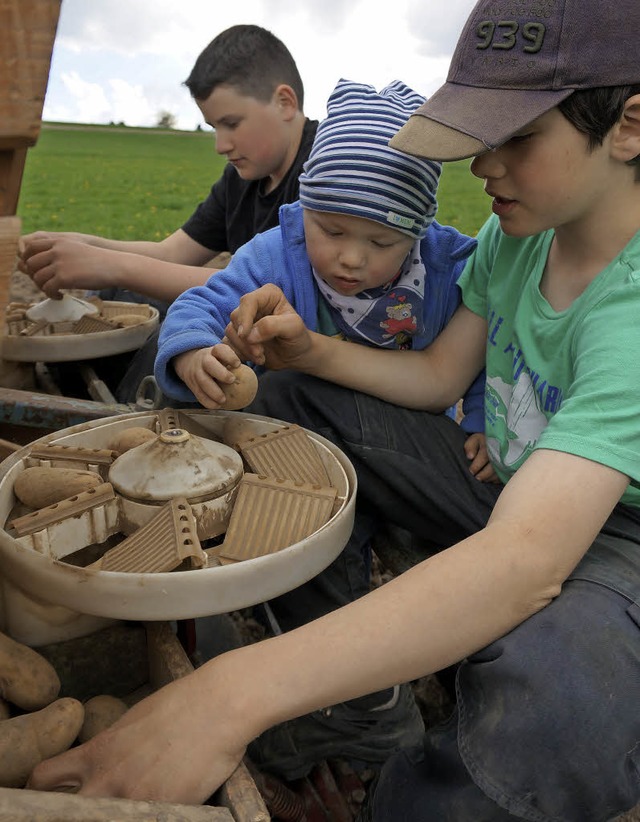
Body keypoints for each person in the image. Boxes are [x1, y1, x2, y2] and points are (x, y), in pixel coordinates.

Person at [27, 0, 640, 820]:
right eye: (479, 136)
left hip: (614, 538)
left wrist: (226, 696)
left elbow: (527, 562)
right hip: (503, 485)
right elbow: (432, 376)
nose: (482, 165)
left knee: (554, 701)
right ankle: (356, 701)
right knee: (286, 398)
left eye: (516, 139)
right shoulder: (520, 236)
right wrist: (307, 353)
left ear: (629, 126)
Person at [155, 77, 493, 479]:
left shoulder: (446, 268)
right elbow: (202, 302)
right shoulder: (276, 254)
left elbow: (487, 349)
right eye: (331, 232)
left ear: (417, 231)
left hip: (398, 444)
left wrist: (483, 420)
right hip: (289, 440)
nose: (350, 259)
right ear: (305, 210)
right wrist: (193, 355)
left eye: (381, 242)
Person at [17, 24, 318, 402]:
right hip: (239, 316)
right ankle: (82, 397)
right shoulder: (241, 177)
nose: (220, 145)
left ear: (285, 103)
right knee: (116, 290)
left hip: (283, 342)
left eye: (231, 124)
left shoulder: (323, 173)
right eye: (213, 127)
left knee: (169, 333)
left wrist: (112, 263)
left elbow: (260, 287)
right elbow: (172, 254)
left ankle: (130, 417)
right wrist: (85, 245)